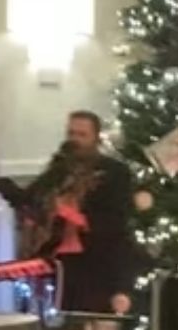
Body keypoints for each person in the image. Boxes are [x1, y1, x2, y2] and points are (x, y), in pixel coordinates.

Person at [23, 111, 137, 315]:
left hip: (96, 260)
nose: (74, 140)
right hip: (60, 260)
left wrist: (72, 215)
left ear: (96, 138)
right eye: (71, 133)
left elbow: (117, 220)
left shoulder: (115, 172)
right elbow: (33, 196)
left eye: (82, 135)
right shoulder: (59, 169)